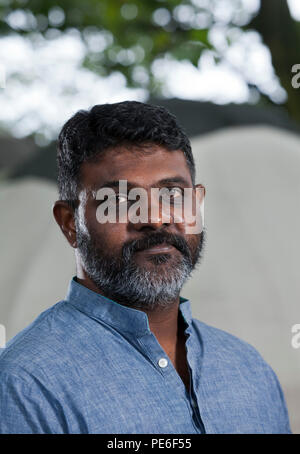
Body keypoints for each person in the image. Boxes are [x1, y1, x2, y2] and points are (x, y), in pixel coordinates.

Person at [0, 101, 291, 434]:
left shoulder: (248, 369)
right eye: (122, 200)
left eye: (172, 194)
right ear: (69, 224)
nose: (154, 218)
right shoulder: (26, 385)